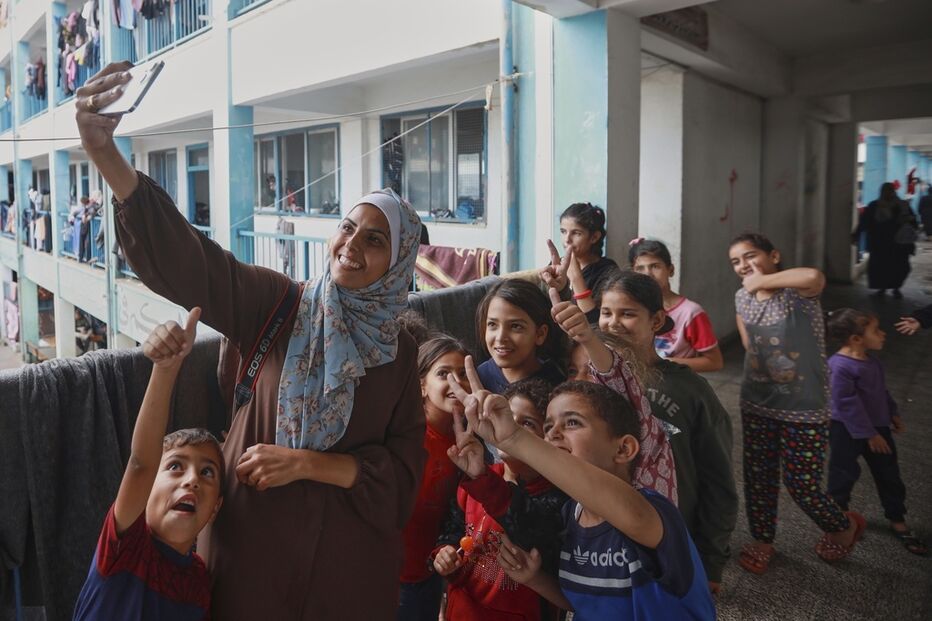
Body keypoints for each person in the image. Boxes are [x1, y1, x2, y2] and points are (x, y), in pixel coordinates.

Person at [75, 64, 427, 620]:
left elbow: (404, 477)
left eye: (376, 239)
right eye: (348, 227)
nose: (352, 244)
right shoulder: (280, 304)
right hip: (250, 564)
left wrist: (310, 464)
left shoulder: (400, 353)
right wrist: (105, 156)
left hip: (347, 576)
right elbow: (195, 265)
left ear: (399, 263)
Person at [447, 367, 716, 620]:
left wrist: (514, 439)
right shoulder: (571, 517)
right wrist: (535, 579)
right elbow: (583, 601)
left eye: (572, 422)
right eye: (549, 427)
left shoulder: (651, 511)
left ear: (623, 450)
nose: (553, 435)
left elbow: (629, 513)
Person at [551, 273, 736, 590]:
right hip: (603, 546)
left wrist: (711, 560)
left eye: (628, 313)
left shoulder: (690, 390)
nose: (613, 323)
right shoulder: (587, 387)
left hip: (669, 539)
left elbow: (718, 481)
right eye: (607, 313)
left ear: (657, 320)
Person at [73, 308, 225, 620]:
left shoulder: (199, 582)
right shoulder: (127, 547)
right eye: (174, 467)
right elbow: (142, 462)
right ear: (146, 490)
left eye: (207, 472)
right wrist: (166, 370)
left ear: (216, 508)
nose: (192, 480)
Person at [729, 232, 865, 573]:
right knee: (758, 479)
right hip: (758, 404)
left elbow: (813, 276)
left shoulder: (799, 294)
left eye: (750, 256)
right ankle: (763, 540)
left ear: (774, 255)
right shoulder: (742, 299)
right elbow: (751, 347)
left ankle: (842, 525)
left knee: (802, 485)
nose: (743, 265)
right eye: (735, 262)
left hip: (805, 408)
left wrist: (763, 279)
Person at [432, 378, 565, 621]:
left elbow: (532, 530)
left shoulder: (555, 495)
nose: (510, 428)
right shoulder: (477, 477)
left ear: (547, 436)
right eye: (506, 417)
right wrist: (445, 553)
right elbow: (452, 530)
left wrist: (482, 478)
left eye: (527, 423)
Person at [825, 309, 928, 556]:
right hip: (847, 430)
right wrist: (869, 434)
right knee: (842, 475)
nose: (883, 334)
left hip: (877, 427)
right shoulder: (839, 366)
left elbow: (881, 392)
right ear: (856, 339)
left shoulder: (871, 362)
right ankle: (837, 523)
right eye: (876, 330)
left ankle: (897, 519)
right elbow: (846, 403)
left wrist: (892, 413)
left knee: (889, 473)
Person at [398, 336, 470, 620]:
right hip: (393, 572)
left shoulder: (472, 439)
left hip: (433, 567)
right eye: (444, 373)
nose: (456, 382)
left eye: (463, 374)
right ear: (421, 386)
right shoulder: (406, 435)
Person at [629, 238, 724, 372]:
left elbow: (714, 362)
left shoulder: (690, 313)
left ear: (671, 270)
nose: (648, 274)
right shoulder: (631, 309)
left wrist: (666, 363)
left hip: (675, 386)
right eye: (640, 268)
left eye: (655, 266)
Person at [475, 279, 566, 394]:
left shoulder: (555, 386)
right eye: (492, 324)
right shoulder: (479, 377)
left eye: (515, 326)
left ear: (540, 334)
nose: (500, 337)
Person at [853, 182, 918, 298]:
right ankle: (882, 289)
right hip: (880, 244)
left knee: (900, 267)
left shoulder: (902, 206)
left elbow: (913, 222)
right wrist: (856, 235)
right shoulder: (874, 206)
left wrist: (908, 221)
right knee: (880, 268)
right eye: (886, 191)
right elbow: (864, 222)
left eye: (890, 190)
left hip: (898, 245)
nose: (888, 193)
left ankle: (896, 288)